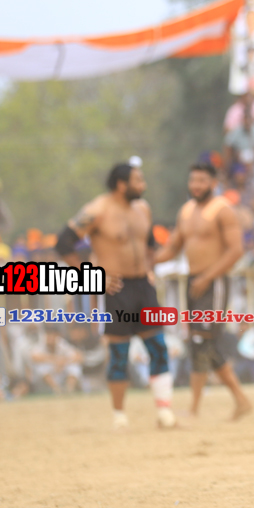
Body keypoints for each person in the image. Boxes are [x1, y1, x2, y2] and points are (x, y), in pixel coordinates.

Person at [57, 162, 175, 430]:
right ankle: (119, 415)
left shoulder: (143, 209)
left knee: (158, 346)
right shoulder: (97, 210)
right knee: (120, 352)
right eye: (138, 180)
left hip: (143, 285)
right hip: (116, 288)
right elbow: (63, 243)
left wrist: (151, 268)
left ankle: (165, 412)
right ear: (122, 185)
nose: (143, 185)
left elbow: (150, 245)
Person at [154, 163, 253, 419]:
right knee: (200, 342)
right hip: (193, 282)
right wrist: (147, 261)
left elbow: (236, 250)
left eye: (202, 180)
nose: (196, 185)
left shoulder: (222, 210)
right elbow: (173, 248)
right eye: (193, 180)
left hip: (214, 281)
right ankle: (235, 401)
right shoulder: (186, 211)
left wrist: (208, 277)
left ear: (213, 183)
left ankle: (199, 407)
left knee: (203, 340)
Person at [30, 326, 84, 394]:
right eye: (48, 335)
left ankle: (69, 390)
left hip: (61, 371)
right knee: (41, 368)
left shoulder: (61, 343)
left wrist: (64, 362)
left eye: (52, 335)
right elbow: (34, 357)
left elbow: (79, 356)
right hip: (47, 376)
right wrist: (56, 360)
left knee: (74, 367)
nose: (49, 338)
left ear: (57, 336)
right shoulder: (41, 343)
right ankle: (57, 390)